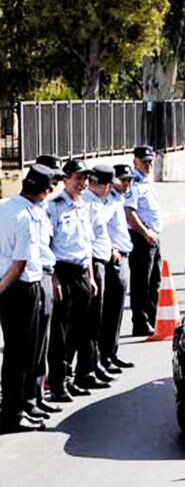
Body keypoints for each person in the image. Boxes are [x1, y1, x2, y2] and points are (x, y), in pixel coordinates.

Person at [0, 165, 54, 433]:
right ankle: (14, 412)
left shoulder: (5, 207)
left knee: (14, 353)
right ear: (44, 192)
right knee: (22, 355)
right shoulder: (25, 217)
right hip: (20, 289)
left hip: (9, 288)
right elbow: (20, 263)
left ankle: (16, 408)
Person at [49, 159, 104, 395]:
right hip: (62, 271)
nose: (82, 183)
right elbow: (48, 245)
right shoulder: (55, 206)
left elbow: (87, 246)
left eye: (85, 179)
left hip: (82, 271)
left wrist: (91, 277)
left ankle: (72, 377)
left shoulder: (85, 207)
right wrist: (54, 279)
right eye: (78, 178)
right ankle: (58, 382)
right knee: (60, 332)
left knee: (80, 330)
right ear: (65, 179)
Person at [28, 156, 64, 416]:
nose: (54, 186)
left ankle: (37, 396)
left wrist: (53, 278)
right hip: (30, 280)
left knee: (43, 344)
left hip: (46, 275)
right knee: (29, 347)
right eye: (53, 180)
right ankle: (24, 401)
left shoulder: (41, 208)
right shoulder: (24, 209)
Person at [81, 166, 118, 385]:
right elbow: (86, 239)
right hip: (92, 264)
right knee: (91, 321)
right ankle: (87, 370)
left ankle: (94, 366)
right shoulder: (87, 204)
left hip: (100, 261)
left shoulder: (95, 202)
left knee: (97, 319)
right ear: (104, 186)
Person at [126, 145, 163, 337]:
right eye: (145, 161)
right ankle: (140, 321)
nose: (149, 164)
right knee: (141, 282)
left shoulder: (146, 181)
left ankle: (153, 317)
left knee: (154, 280)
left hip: (153, 236)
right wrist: (145, 232)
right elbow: (129, 212)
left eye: (150, 160)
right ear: (135, 161)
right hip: (141, 238)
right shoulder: (134, 183)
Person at [100, 164, 134, 371]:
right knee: (110, 311)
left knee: (117, 310)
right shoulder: (109, 201)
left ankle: (112, 353)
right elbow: (99, 225)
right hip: (114, 260)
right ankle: (105, 356)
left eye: (129, 180)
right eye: (124, 179)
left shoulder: (118, 199)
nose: (127, 184)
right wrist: (111, 247)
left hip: (123, 257)